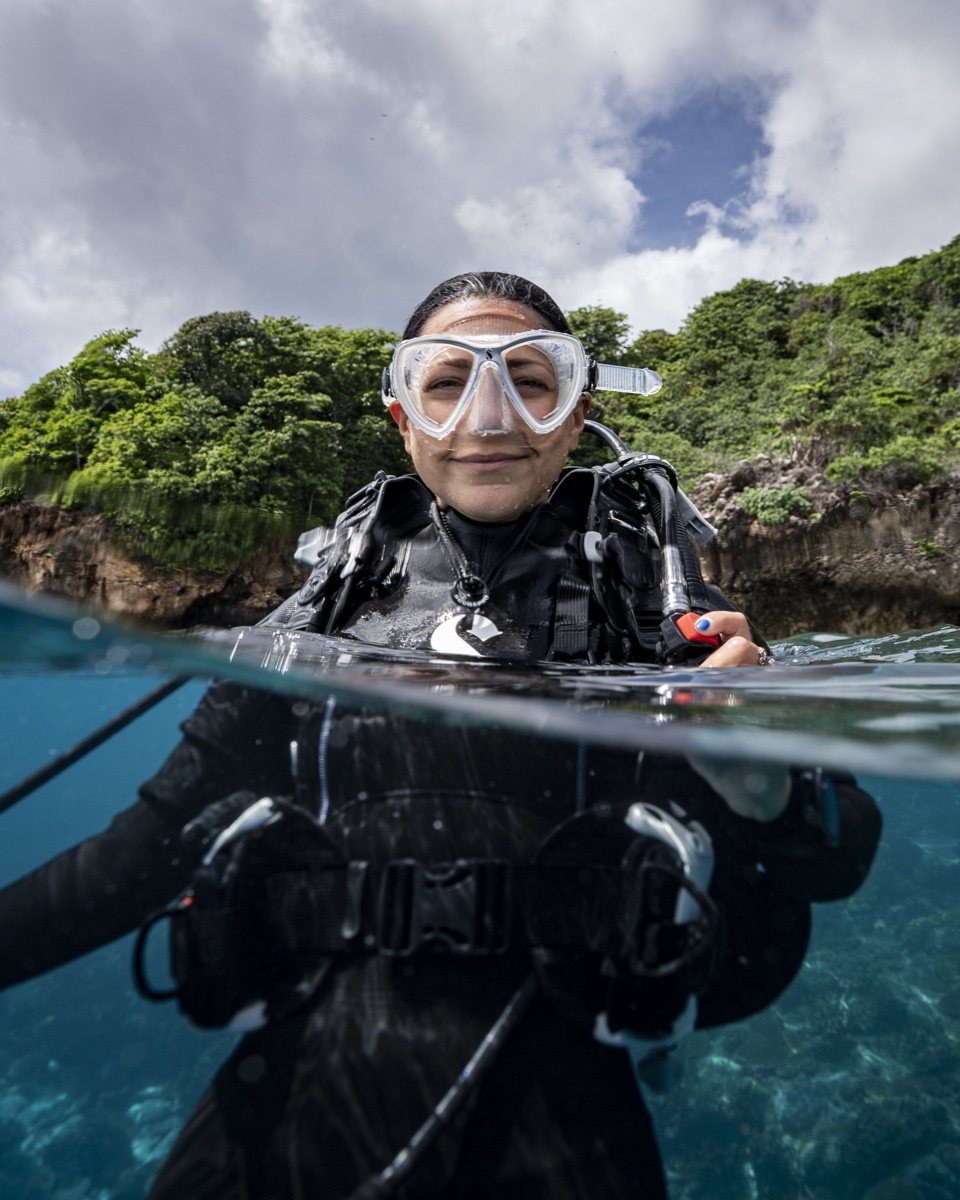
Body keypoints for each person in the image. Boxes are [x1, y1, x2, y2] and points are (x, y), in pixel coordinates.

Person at [0, 272, 881, 1199]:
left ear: (576, 415)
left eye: (530, 382)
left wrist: (765, 786)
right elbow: (131, 858)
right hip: (281, 1113)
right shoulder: (323, 607)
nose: (489, 416)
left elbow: (837, 850)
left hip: (568, 1126)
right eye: (448, 380)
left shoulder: (659, 608)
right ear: (402, 417)